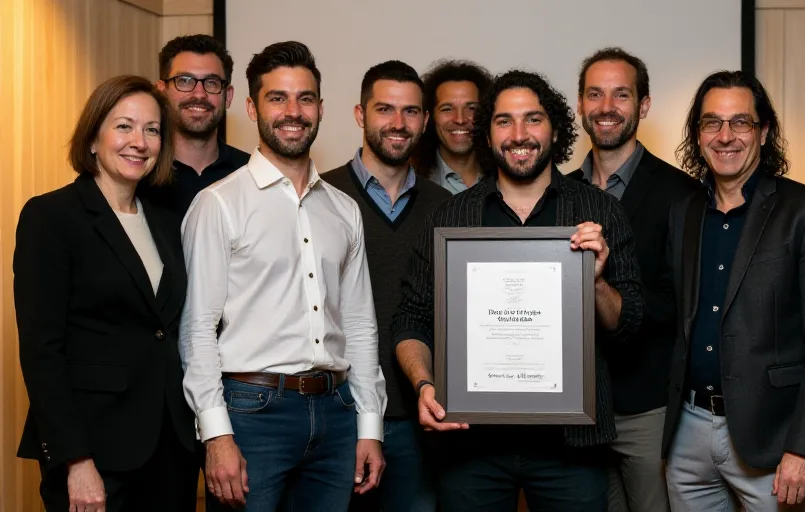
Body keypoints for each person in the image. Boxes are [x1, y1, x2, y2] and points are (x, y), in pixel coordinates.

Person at [391, 69, 644, 512]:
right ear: (488, 135)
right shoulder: (451, 218)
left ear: (555, 129)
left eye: (533, 119)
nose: (519, 134)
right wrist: (424, 384)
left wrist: (596, 281)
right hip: (471, 445)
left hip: (572, 447)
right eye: (504, 121)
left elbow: (628, 327)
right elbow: (411, 317)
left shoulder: (599, 211)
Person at [179, 41, 386, 511]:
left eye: (305, 98)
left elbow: (359, 325)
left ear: (320, 108)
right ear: (253, 108)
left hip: (337, 414)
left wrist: (369, 426)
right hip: (252, 414)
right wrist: (216, 434)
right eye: (278, 98)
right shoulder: (218, 204)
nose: (293, 112)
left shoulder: (344, 209)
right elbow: (197, 329)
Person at [662, 71, 805, 512]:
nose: (725, 136)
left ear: (764, 132)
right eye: (712, 122)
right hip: (688, 432)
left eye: (740, 122)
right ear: (698, 135)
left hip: (774, 440)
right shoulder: (683, 212)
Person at [15, 74, 197, 511]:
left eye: (151, 130)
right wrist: (75, 460)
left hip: (170, 447)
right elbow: (42, 351)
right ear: (94, 137)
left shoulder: (167, 221)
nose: (139, 142)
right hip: (94, 450)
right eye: (124, 126)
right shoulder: (51, 216)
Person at [568, 47, 699, 512]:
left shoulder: (683, 194)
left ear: (643, 106)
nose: (607, 107)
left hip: (648, 406)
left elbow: (683, 303)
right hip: (577, 408)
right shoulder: (560, 194)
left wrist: (617, 303)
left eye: (621, 95)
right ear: (580, 105)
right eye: (595, 95)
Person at [322, 59, 451, 512]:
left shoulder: (447, 208)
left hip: (423, 420)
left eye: (410, 111)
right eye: (385, 109)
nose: (398, 123)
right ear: (360, 114)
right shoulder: (321, 198)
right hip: (340, 416)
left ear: (425, 120)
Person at [149, 34, 249, 219]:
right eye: (185, 81)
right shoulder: (141, 173)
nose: (199, 94)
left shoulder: (250, 174)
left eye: (212, 83)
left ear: (228, 96)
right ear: (162, 91)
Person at [413, 59, 493, 193]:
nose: (460, 119)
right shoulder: (411, 182)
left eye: (471, 108)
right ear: (431, 116)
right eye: (447, 109)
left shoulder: (503, 178)